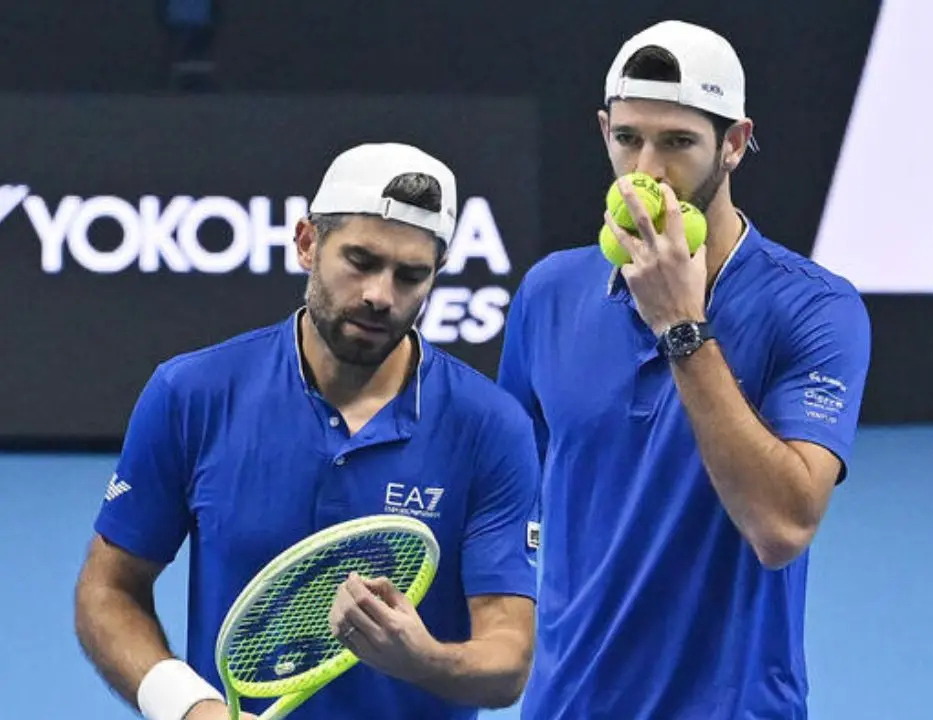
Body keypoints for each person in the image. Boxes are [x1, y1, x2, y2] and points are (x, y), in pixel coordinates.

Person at [75, 142, 540, 720]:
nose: (380, 295)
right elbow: (109, 591)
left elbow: (508, 661)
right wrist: (190, 707)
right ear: (306, 243)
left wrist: (421, 659)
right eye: (362, 261)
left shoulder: (491, 428)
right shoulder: (191, 394)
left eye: (410, 275)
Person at [498, 20, 872, 720]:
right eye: (628, 137)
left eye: (677, 143)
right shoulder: (548, 293)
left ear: (733, 144)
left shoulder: (817, 310)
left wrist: (682, 327)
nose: (647, 170)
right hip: (564, 707)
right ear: (603, 129)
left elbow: (783, 526)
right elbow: (511, 502)